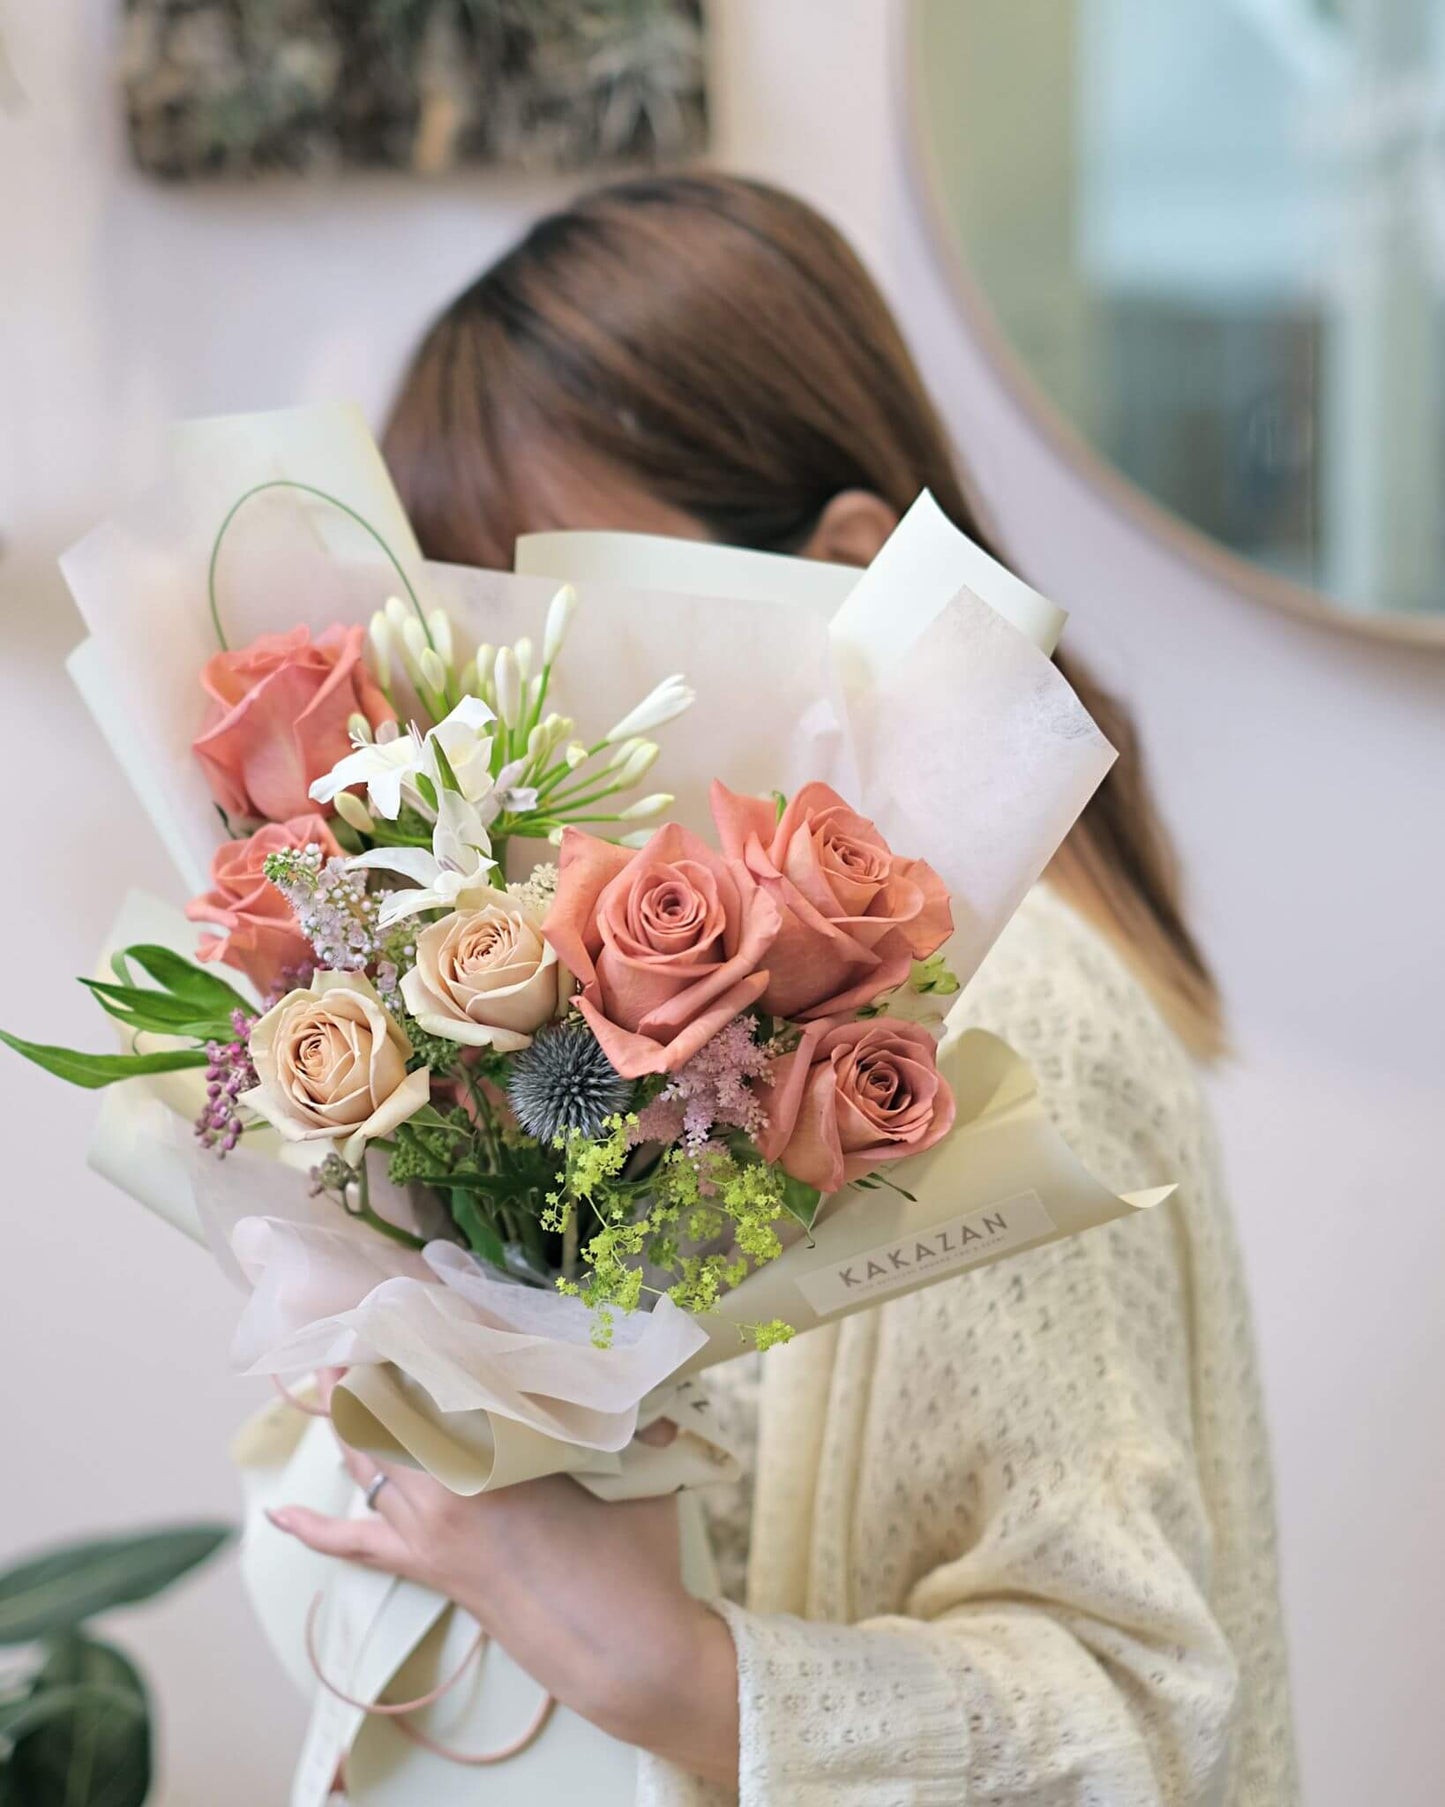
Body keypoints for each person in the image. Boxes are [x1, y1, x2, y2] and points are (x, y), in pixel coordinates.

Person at [268, 174, 1298, 1805]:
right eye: (458, 647)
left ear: (847, 587)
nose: (501, 726)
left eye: (550, 626)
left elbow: (1145, 1725)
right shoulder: (642, 1027)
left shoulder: (1018, 1019)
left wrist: (680, 1676)